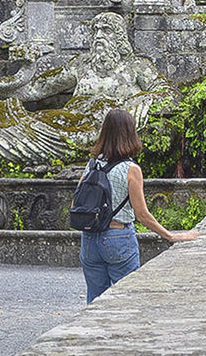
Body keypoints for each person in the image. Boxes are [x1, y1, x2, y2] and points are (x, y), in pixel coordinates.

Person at [0, 11, 174, 169]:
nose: (100, 37)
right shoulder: (80, 65)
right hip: (56, 120)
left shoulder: (137, 67)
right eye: (96, 31)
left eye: (107, 31)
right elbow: (31, 90)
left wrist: (141, 101)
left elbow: (170, 95)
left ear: (120, 38)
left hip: (80, 131)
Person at [78, 108, 198, 303]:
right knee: (127, 298)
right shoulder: (131, 169)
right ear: (130, 134)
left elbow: (77, 202)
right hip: (118, 237)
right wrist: (170, 236)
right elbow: (141, 214)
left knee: (95, 300)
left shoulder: (92, 165)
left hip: (89, 239)